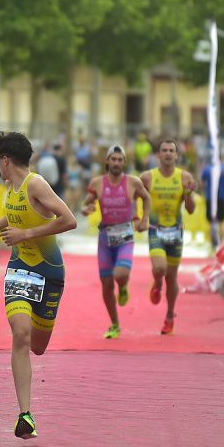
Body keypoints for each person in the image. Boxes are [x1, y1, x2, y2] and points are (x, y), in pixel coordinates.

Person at [0, 131, 76, 439]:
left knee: (38, 346)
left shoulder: (36, 184)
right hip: (19, 269)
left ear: (6, 160)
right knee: (20, 334)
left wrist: (26, 235)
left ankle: (26, 409)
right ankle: (25, 415)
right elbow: (14, 214)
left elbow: (69, 220)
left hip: (49, 271)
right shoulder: (10, 186)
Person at [82, 145, 150, 339]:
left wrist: (144, 219)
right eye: (114, 159)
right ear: (107, 161)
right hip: (105, 238)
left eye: (120, 160)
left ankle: (123, 286)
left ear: (124, 163)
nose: (117, 163)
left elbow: (146, 198)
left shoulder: (132, 182)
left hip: (125, 236)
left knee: (120, 274)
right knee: (105, 284)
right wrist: (87, 208)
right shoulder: (97, 183)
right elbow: (88, 201)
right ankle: (114, 324)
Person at [141, 139, 196, 335]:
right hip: (156, 229)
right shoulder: (147, 177)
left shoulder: (184, 177)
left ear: (177, 155)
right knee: (160, 268)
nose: (167, 154)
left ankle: (170, 315)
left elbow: (190, 210)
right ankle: (157, 283)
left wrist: (189, 194)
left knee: (172, 278)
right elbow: (135, 196)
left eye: (171, 151)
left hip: (176, 232)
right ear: (158, 154)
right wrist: (139, 217)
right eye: (164, 150)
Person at [199, 159, 224, 247]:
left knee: (211, 220)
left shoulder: (207, 169)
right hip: (222, 197)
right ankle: (221, 242)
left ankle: (213, 242)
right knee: (221, 221)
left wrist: (202, 192)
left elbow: (201, 183)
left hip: (210, 197)